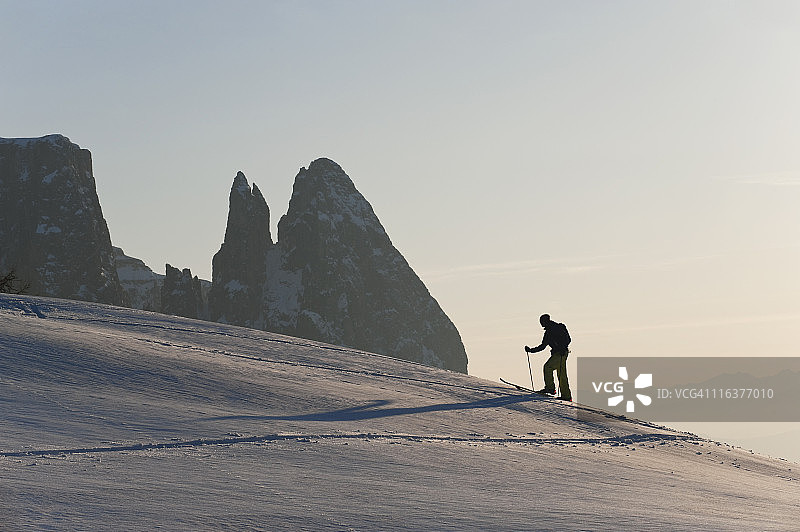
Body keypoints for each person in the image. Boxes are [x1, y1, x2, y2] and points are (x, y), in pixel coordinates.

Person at [525, 314, 572, 401]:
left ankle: (550, 388)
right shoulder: (551, 331)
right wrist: (531, 350)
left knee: (547, 367)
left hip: (560, 353)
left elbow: (567, 340)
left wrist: (562, 347)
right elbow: (542, 346)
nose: (541, 324)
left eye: (542, 322)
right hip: (562, 353)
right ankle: (566, 396)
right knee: (562, 375)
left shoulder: (555, 328)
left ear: (546, 321)